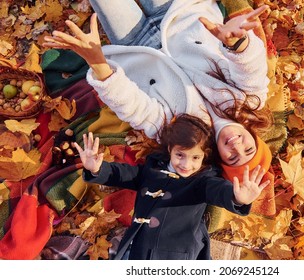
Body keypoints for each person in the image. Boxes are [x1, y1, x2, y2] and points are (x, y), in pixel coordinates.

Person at [43, 0, 276, 216]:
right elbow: (250, 68)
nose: (237, 146)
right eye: (249, 150)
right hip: (182, 14)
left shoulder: (183, 138)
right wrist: (237, 42)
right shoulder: (250, 101)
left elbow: (134, 107)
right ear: (256, 139)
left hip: (136, 44)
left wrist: (98, 63)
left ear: (220, 159)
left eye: (233, 158)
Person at [74, 114, 270, 259]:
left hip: (174, 256)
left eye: (195, 158)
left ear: (204, 156)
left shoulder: (202, 180)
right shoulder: (152, 168)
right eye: (180, 156)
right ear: (170, 150)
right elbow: (124, 174)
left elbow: (218, 191)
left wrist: (238, 199)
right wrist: (98, 168)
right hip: (137, 251)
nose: (186, 165)